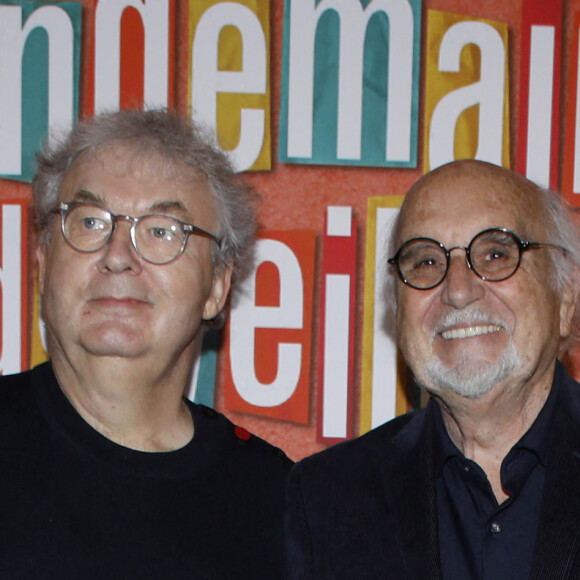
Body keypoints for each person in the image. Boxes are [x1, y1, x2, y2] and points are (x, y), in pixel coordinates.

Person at [0, 109, 291, 578]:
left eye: (161, 231)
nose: (117, 256)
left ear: (216, 286)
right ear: (42, 260)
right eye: (91, 222)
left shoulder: (275, 499)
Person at [285, 160, 580, 579]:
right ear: (397, 308)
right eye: (425, 262)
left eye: (496, 254)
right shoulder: (328, 498)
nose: (458, 290)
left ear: (565, 298)